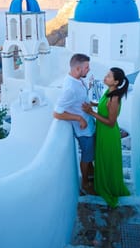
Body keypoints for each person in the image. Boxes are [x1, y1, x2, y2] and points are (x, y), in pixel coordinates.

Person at [82, 67, 130, 207]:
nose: (105, 77)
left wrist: (91, 112)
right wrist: (94, 104)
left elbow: (111, 122)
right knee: (102, 159)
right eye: (107, 75)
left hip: (108, 134)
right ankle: (104, 183)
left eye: (109, 76)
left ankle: (109, 187)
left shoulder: (115, 98)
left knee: (107, 161)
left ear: (116, 82)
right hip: (103, 132)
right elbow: (104, 106)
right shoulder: (109, 92)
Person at [53, 53, 95, 195]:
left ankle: (91, 173)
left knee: (90, 155)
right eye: (86, 67)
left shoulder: (77, 80)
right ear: (77, 69)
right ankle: (85, 182)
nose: (89, 69)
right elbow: (57, 113)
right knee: (86, 156)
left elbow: (81, 99)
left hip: (90, 125)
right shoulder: (70, 88)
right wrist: (79, 118)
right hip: (84, 131)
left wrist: (94, 104)